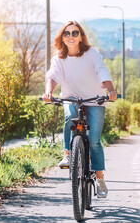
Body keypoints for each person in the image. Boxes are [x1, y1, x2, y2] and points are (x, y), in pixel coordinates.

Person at [41, 21, 117, 198]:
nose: (71, 36)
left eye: (75, 33)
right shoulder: (59, 57)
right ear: (62, 37)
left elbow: (102, 71)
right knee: (70, 116)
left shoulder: (91, 54)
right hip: (71, 98)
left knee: (95, 140)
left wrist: (111, 90)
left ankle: (99, 178)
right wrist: (48, 92)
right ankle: (67, 154)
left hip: (95, 100)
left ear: (81, 36)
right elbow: (53, 76)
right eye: (67, 34)